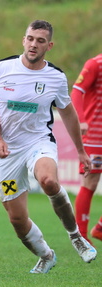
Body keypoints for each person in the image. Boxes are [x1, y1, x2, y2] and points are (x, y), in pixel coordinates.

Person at [0, 20, 97, 274]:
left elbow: (68, 113)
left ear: (49, 45)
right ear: (24, 40)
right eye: (31, 38)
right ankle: (46, 255)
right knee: (16, 217)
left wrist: (80, 150)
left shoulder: (55, 77)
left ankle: (76, 236)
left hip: (39, 142)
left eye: (41, 40)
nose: (34, 44)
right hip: (8, 152)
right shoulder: (1, 69)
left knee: (48, 180)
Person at [71, 53, 102, 244]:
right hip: (95, 136)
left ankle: (100, 228)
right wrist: (80, 120)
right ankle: (80, 236)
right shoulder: (95, 64)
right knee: (90, 182)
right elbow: (76, 91)